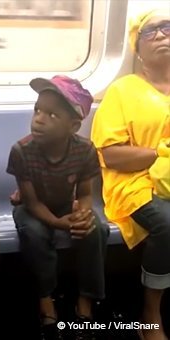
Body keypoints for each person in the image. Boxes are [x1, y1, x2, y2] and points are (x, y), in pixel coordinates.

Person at [7, 76, 109, 340]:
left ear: (74, 126)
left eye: (51, 114)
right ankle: (45, 297)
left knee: (96, 229)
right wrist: (57, 223)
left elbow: (85, 193)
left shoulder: (85, 150)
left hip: (65, 205)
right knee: (36, 233)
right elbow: (31, 202)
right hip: (31, 209)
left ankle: (86, 299)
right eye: (37, 110)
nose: (38, 119)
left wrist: (83, 213)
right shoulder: (22, 150)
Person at [90, 9, 170, 340]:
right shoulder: (123, 91)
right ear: (138, 49)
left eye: (167, 28)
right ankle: (150, 313)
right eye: (150, 32)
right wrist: (158, 154)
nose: (162, 35)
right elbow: (110, 154)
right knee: (168, 224)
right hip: (136, 182)